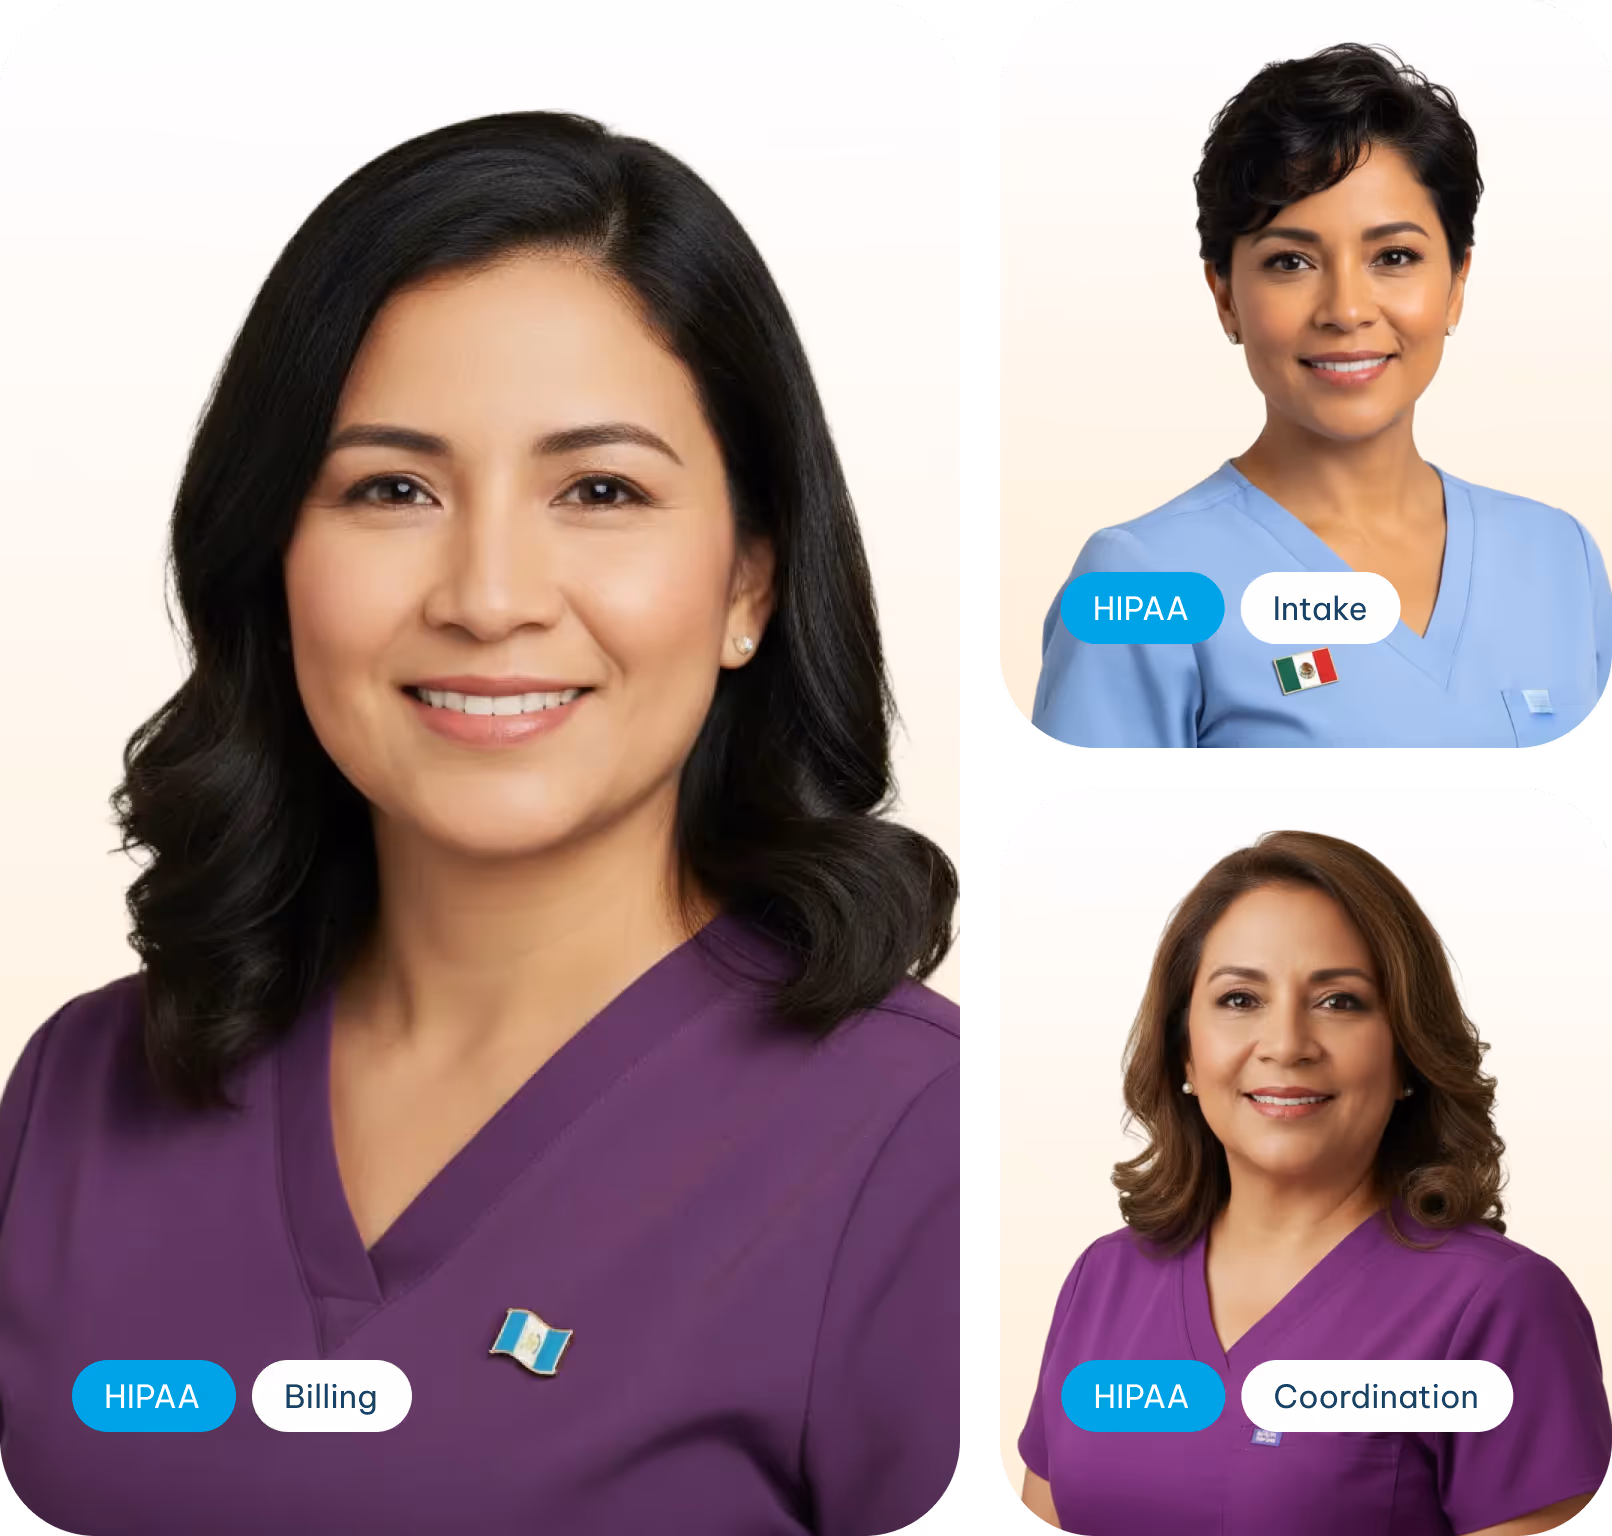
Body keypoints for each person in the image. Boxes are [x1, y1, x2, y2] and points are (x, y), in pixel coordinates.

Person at [0, 110, 958, 1536]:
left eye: (599, 490)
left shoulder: (921, 1142)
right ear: (274, 557)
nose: (488, 593)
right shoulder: (79, 1087)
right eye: (392, 488)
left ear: (751, 582)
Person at [1018, 831, 1608, 1534]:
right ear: (1184, 1050)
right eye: (1239, 1000)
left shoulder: (1498, 1307)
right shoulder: (1104, 1280)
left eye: (1340, 1002)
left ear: (1407, 1055)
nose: (1287, 1043)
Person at [1032, 44, 1612, 747]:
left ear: (1457, 283)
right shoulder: (1137, 583)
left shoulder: (1560, 555)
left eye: (1394, 257)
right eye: (1290, 261)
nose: (1346, 308)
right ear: (1225, 296)